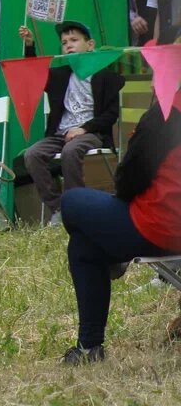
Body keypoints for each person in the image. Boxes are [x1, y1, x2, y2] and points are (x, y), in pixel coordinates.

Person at [58, 101, 181, 364]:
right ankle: (88, 348)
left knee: (72, 202)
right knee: (85, 244)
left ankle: (90, 345)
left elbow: (128, 180)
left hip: (162, 229)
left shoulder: (167, 113)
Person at [19, 21, 124, 224]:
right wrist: (30, 46)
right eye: (64, 42)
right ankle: (58, 208)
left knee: (71, 151)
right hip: (60, 133)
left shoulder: (106, 76)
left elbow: (111, 115)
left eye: (74, 40)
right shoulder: (60, 75)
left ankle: (76, 207)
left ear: (90, 45)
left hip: (91, 133)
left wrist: (83, 129)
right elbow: (35, 74)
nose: (68, 45)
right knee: (32, 154)